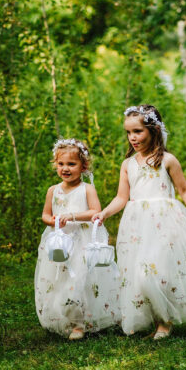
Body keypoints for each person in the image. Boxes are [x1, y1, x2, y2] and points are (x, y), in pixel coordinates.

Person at [94, 105, 186, 339]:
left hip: (164, 222)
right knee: (139, 273)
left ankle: (165, 321)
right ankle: (152, 317)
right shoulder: (128, 164)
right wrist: (104, 213)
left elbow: (185, 190)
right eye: (128, 133)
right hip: (136, 226)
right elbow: (121, 197)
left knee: (157, 270)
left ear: (153, 130)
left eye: (138, 131)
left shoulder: (167, 160)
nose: (132, 138)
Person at [35, 138, 121, 340]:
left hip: (82, 239)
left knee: (80, 279)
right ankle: (66, 317)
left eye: (71, 164)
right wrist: (52, 220)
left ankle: (80, 324)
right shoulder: (53, 190)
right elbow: (45, 214)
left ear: (83, 166)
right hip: (60, 241)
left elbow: (95, 211)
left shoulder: (87, 189)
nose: (65, 168)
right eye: (61, 164)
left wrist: (72, 216)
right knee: (60, 280)